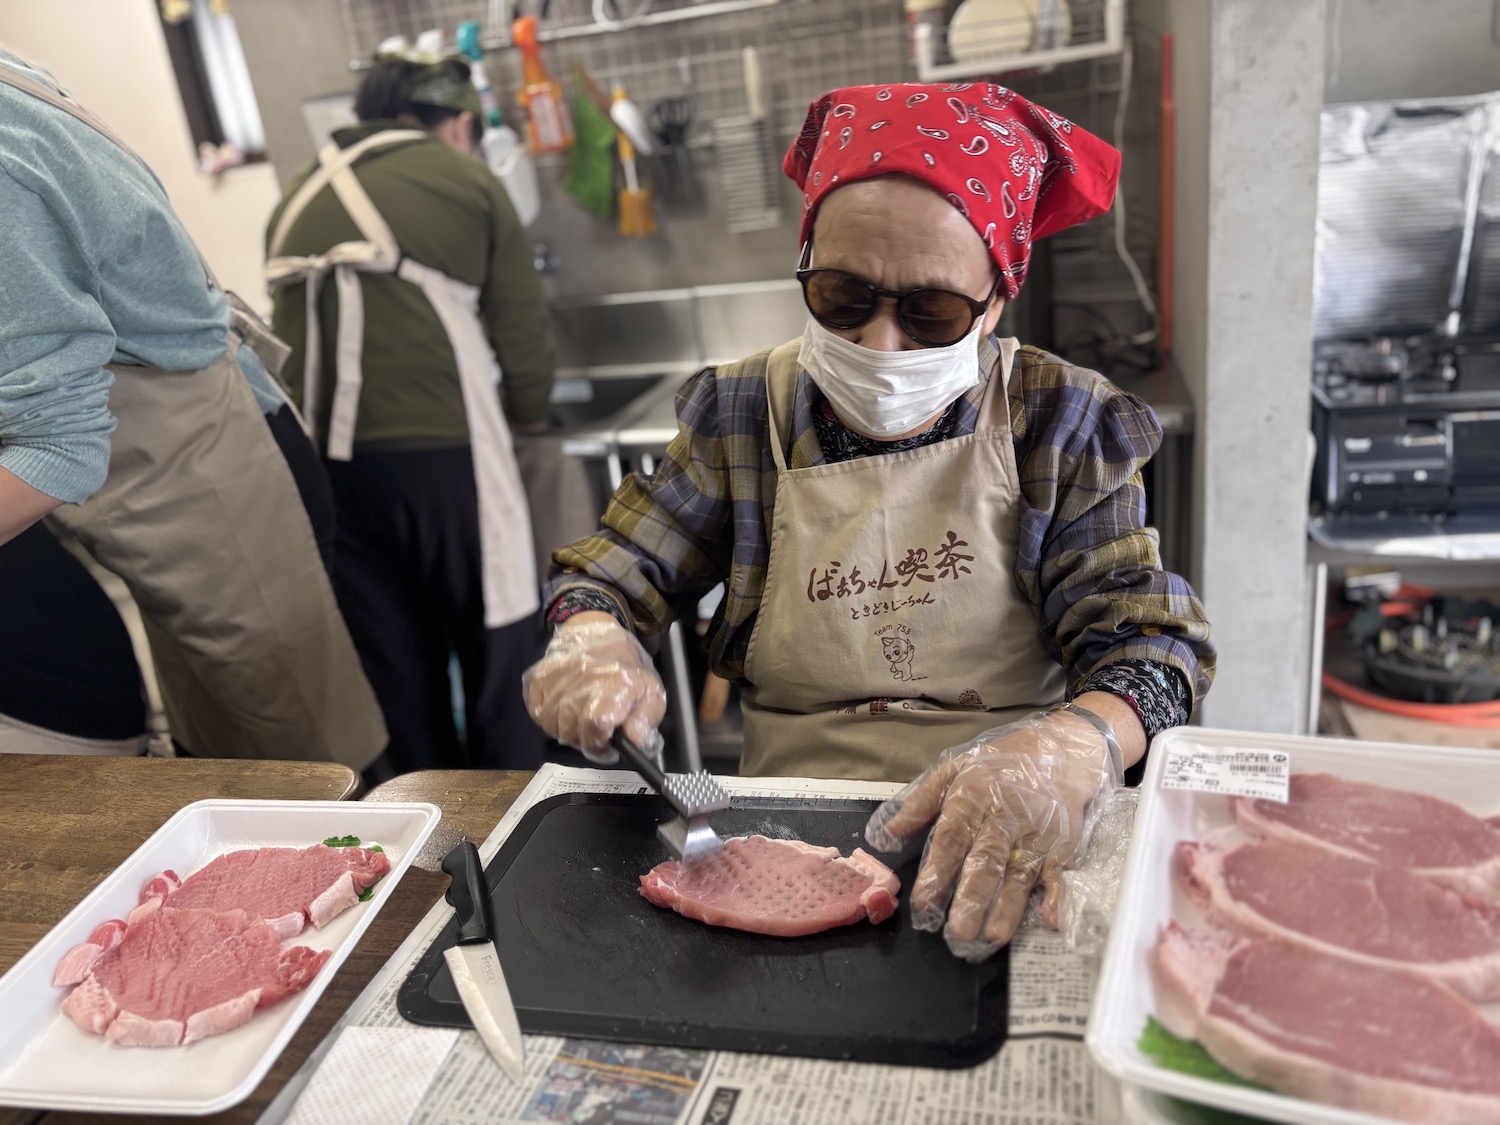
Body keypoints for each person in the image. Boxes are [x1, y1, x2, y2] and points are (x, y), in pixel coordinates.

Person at [523, 83, 1215, 961]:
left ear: (996, 302)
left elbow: (1150, 640)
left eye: (932, 314)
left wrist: (1079, 743)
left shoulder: (1059, 419)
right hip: (788, 829)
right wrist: (591, 636)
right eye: (843, 296)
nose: (880, 346)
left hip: (1008, 827)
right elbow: (618, 565)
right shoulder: (743, 411)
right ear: (805, 263)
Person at [0, 46, 385, 766]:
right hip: (176, 484)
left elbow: (60, 446)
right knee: (226, 769)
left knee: (306, 782)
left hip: (216, 487)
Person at [265, 51, 557, 776]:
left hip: (326, 473)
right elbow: (523, 335)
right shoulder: (466, 179)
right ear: (457, 124)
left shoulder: (296, 194)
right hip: (446, 463)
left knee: (395, 670)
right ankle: (513, 824)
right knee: (499, 658)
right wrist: (529, 417)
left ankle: (421, 827)